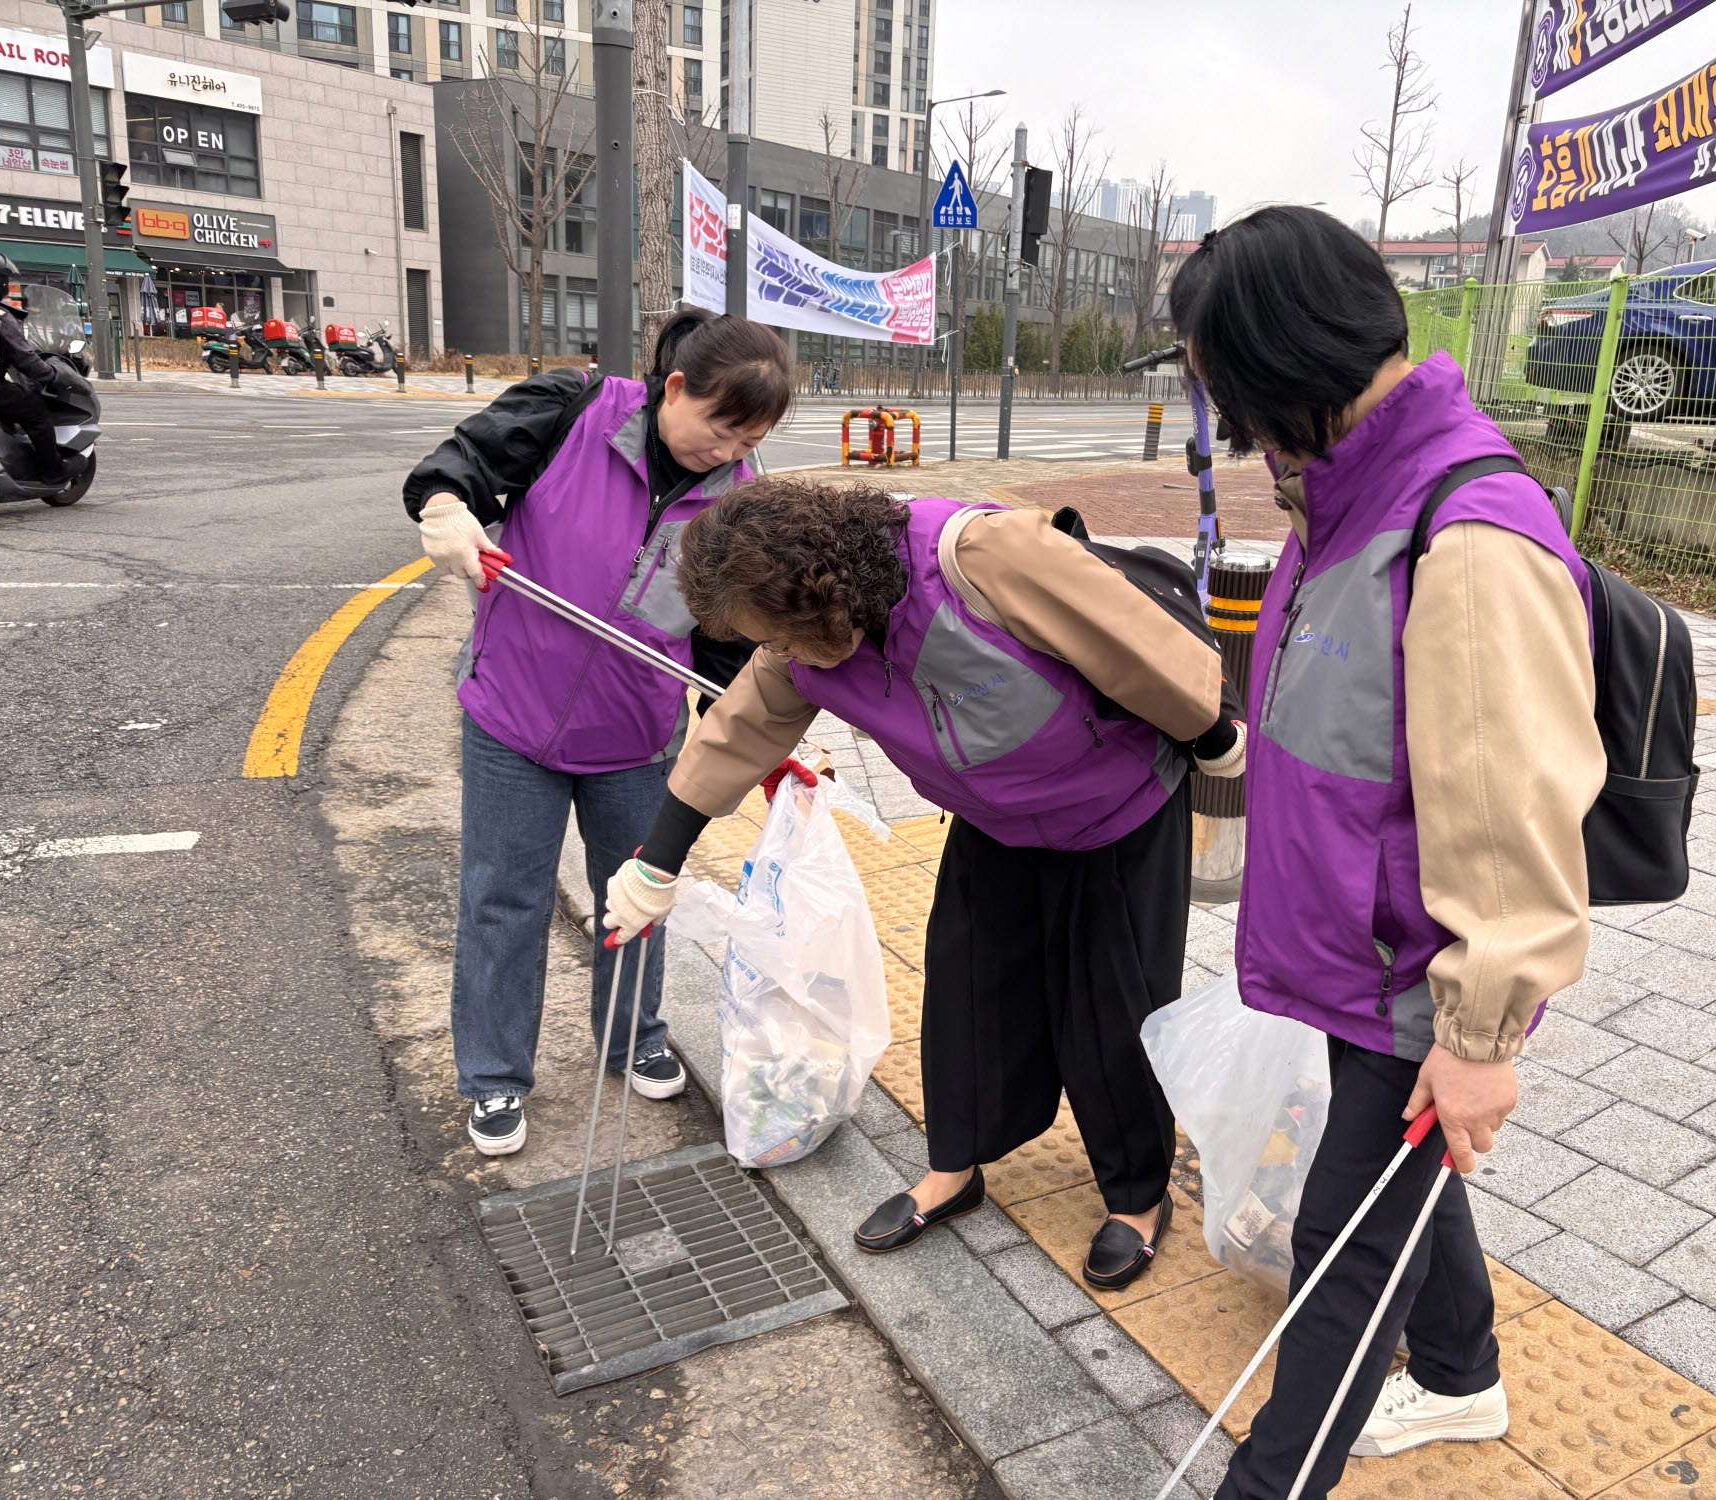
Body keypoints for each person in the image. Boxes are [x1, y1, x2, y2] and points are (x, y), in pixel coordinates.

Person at [1171, 208, 1605, 1497]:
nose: (1230, 429)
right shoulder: (1345, 493)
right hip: (1360, 955)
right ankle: (1463, 1377)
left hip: (1419, 975)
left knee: (1342, 1250)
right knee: (1398, 1188)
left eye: (1227, 389)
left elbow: (1510, 814)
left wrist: (1475, 1045)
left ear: (1279, 361)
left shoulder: (1463, 533)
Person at [603, 479, 1246, 1290]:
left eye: (792, 637)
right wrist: (655, 865)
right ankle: (954, 1168)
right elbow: (736, 732)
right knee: (967, 996)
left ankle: (1136, 1199)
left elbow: (1127, 640)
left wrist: (1213, 732)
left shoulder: (976, 556)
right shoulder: (797, 645)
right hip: (992, 820)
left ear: (824, 590)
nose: (788, 658)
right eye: (774, 645)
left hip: (1113, 808)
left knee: (1110, 1007)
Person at [401, 309, 794, 1158]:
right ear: (676, 388)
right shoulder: (573, 408)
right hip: (513, 715)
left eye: (750, 438)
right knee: (504, 899)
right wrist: (446, 510)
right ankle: (496, 1077)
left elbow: (727, 646)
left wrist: (764, 736)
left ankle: (632, 1035)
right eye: (723, 427)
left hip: (637, 735)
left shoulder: (738, 500)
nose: (729, 451)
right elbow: (460, 465)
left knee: (633, 899)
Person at [0, 248, 68, 485]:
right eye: (5, 279)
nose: (6, 285)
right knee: (35, 410)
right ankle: (52, 473)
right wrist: (50, 373)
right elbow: (24, 358)